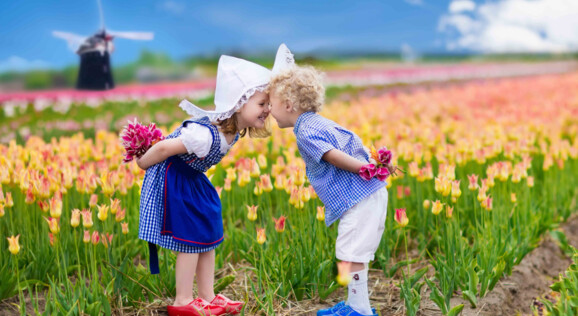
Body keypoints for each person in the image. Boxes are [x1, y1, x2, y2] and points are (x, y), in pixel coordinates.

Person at [137, 55, 272, 316]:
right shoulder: (204, 135)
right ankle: (182, 301)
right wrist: (143, 162)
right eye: (262, 103)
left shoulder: (233, 132)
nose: (267, 109)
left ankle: (207, 297)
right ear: (238, 103)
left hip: (194, 179)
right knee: (191, 240)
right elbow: (166, 147)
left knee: (207, 235)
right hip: (176, 179)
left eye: (268, 103)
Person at [268, 44, 389, 316]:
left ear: (288, 105)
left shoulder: (306, 133)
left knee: (350, 255)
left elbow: (332, 156)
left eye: (271, 104)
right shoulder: (320, 122)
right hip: (367, 194)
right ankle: (355, 305)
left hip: (360, 196)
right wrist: (371, 166)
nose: (269, 110)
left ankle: (359, 311)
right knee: (352, 254)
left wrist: (364, 169)